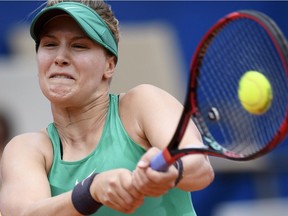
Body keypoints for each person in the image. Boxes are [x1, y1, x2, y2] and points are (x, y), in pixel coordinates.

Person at [0, 0, 214, 215]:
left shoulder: (142, 103)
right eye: (50, 44)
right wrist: (90, 192)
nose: (60, 57)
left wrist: (172, 169)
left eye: (79, 46)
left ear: (109, 65)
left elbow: (198, 166)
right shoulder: (27, 149)